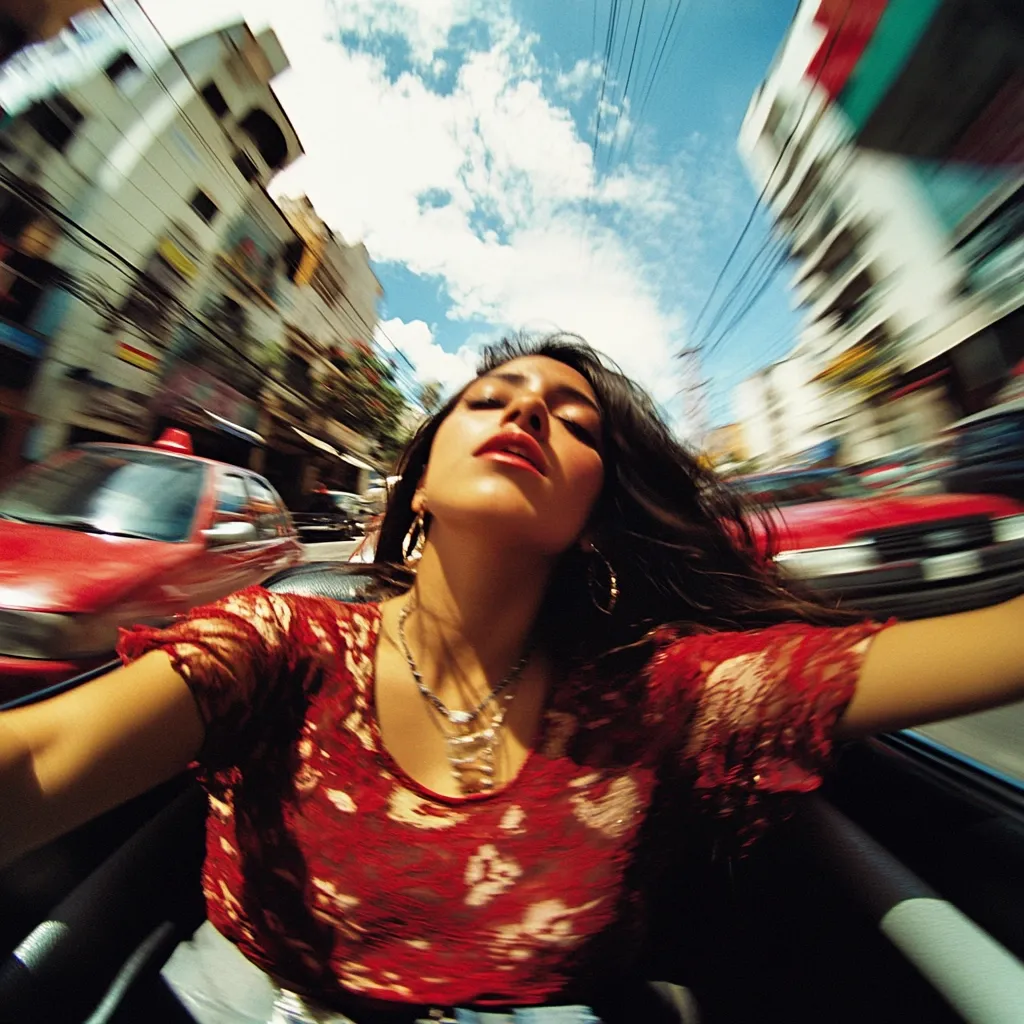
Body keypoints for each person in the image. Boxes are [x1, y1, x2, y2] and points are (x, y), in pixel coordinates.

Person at [2, 333, 1023, 1024]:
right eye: (490, 398)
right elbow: (42, 754)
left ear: (597, 514)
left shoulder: (662, 693)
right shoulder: (279, 643)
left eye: (574, 422)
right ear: (421, 481)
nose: (527, 411)